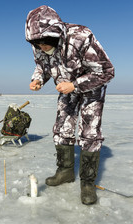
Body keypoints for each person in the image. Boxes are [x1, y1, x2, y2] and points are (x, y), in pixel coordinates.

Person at [25, 5, 114, 205]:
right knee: (61, 129)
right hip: (64, 88)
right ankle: (65, 172)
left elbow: (107, 71)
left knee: (90, 134)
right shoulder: (39, 44)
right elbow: (42, 65)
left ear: (56, 33)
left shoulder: (81, 36)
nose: (42, 46)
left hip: (91, 88)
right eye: (36, 42)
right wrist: (38, 79)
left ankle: (87, 183)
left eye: (45, 41)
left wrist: (74, 85)